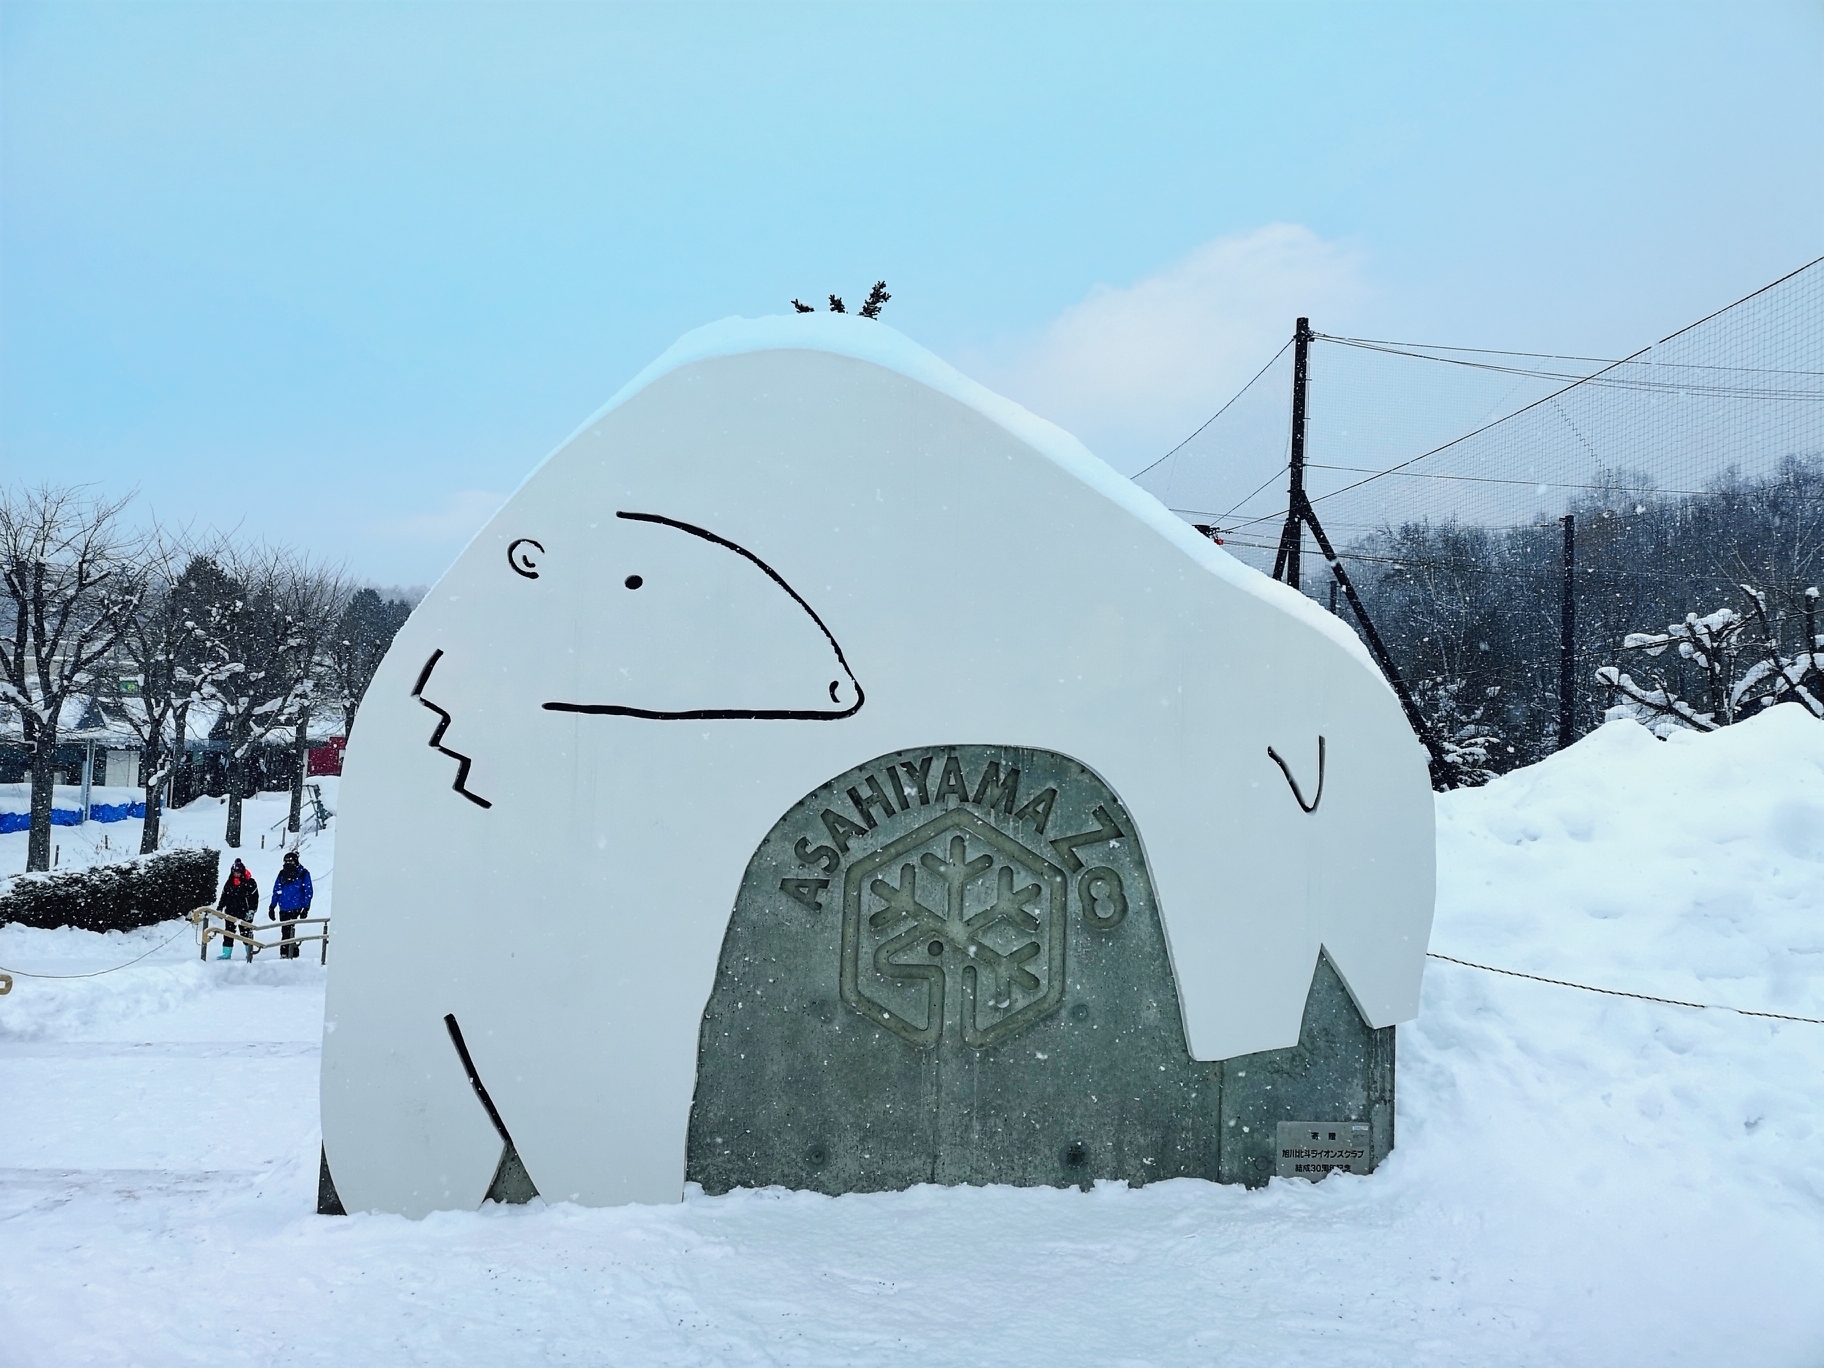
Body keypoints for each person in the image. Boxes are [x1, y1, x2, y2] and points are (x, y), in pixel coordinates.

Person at [269, 850, 315, 959]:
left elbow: (308, 891)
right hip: (285, 906)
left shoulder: (303, 873)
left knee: (287, 931)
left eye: (290, 861)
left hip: (294, 906)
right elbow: (277, 890)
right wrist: (272, 906)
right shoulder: (283, 873)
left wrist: (306, 907)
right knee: (286, 930)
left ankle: (288, 951)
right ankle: (289, 951)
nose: (288, 864)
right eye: (286, 861)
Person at [215, 858, 260, 960]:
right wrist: (220, 907)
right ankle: (226, 953)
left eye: (239, 873)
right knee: (228, 933)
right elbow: (224, 895)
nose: (237, 874)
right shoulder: (229, 882)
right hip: (230, 911)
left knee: (245, 933)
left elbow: (254, 898)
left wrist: (252, 911)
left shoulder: (250, 883)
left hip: (245, 912)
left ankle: (249, 951)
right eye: (235, 872)